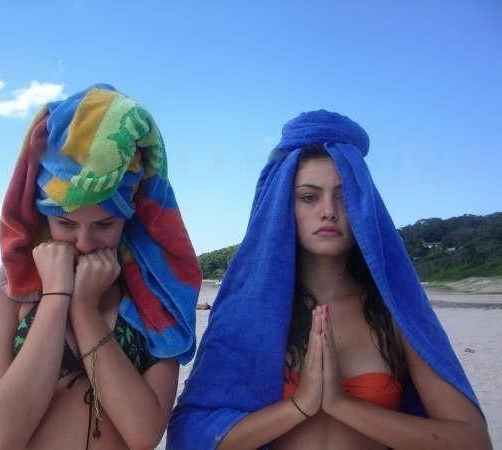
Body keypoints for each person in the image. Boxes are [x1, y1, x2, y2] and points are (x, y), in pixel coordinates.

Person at [168, 110, 492, 449]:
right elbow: (192, 433)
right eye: (309, 197)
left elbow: (471, 440)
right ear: (283, 206)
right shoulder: (248, 316)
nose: (328, 210)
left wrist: (341, 403)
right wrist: (300, 404)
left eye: (345, 196)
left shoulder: (392, 314)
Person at [0, 84, 201, 450]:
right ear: (41, 213)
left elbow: (144, 434)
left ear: (129, 218)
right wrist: (56, 297)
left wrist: (83, 309)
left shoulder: (158, 296)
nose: (83, 243)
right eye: (66, 224)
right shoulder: (5, 291)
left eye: (104, 225)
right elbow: (6, 434)